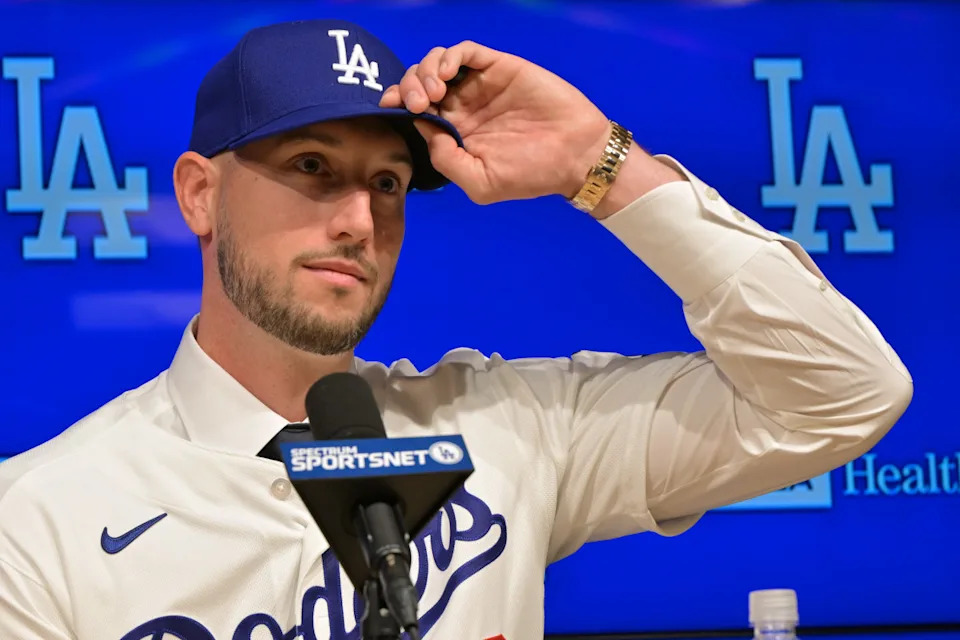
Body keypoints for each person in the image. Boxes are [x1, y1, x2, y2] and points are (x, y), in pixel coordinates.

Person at [0, 18, 912, 640]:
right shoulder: (37, 522)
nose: (359, 221)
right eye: (313, 166)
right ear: (200, 194)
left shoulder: (506, 427)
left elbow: (840, 394)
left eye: (388, 184)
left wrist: (597, 163)